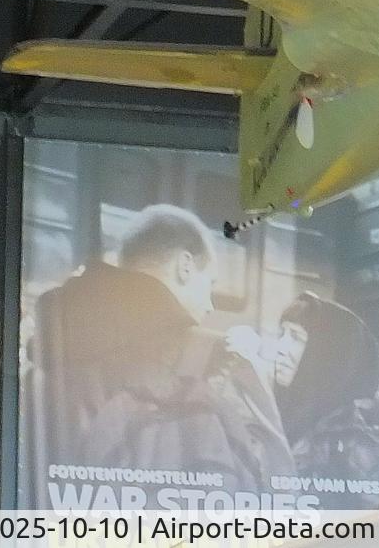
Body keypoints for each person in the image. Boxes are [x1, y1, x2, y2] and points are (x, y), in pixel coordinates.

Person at [32, 205, 292, 489]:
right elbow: (275, 485)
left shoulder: (48, 350)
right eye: (210, 284)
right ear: (185, 266)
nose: (210, 305)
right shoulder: (218, 359)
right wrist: (253, 375)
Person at [272, 293, 379, 496]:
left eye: (296, 337)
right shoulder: (278, 417)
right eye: (282, 334)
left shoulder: (357, 453)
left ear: (328, 355)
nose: (280, 348)